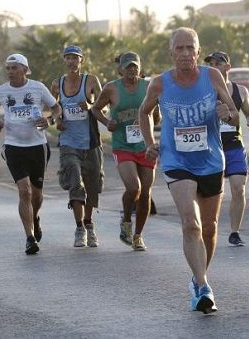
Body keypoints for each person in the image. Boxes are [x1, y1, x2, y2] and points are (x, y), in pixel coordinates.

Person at [139, 27, 239, 313]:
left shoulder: (212, 76)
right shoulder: (159, 83)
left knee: (209, 228)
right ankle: (203, 284)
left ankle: (198, 279)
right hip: (176, 161)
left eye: (189, 48)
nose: (185, 54)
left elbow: (233, 112)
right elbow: (144, 112)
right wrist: (149, 143)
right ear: (171, 52)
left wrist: (226, 113)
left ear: (197, 50)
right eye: (179, 48)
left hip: (210, 160)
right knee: (191, 224)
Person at [0, 53, 62, 255]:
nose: (10, 72)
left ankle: (35, 218)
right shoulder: (1, 90)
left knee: (37, 194)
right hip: (13, 146)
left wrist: (49, 121)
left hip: (37, 146)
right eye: (8, 68)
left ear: (24, 69)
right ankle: (29, 237)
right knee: (24, 191)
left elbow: (56, 107)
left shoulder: (37, 88)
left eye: (14, 68)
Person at [92, 51, 158, 251]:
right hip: (123, 146)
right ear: (120, 69)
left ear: (140, 68)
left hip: (146, 146)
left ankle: (138, 235)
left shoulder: (149, 87)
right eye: (128, 67)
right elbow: (95, 109)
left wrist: (149, 120)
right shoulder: (112, 88)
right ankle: (126, 220)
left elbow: (158, 116)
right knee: (134, 188)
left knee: (146, 193)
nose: (132, 70)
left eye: (135, 66)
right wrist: (107, 122)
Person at [51, 45, 104, 248]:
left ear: (82, 60)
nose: (72, 61)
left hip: (91, 141)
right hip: (68, 142)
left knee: (92, 186)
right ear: (64, 60)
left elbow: (103, 104)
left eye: (76, 58)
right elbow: (53, 106)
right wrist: (58, 120)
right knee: (75, 180)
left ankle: (89, 226)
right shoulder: (57, 84)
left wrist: (91, 106)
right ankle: (79, 227)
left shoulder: (91, 81)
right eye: (68, 58)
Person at [203, 51, 249, 247]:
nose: (214, 66)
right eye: (211, 64)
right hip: (210, 147)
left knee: (239, 189)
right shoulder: (203, 90)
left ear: (227, 66)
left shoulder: (240, 91)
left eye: (218, 63)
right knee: (213, 193)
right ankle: (209, 228)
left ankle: (234, 232)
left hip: (234, 146)